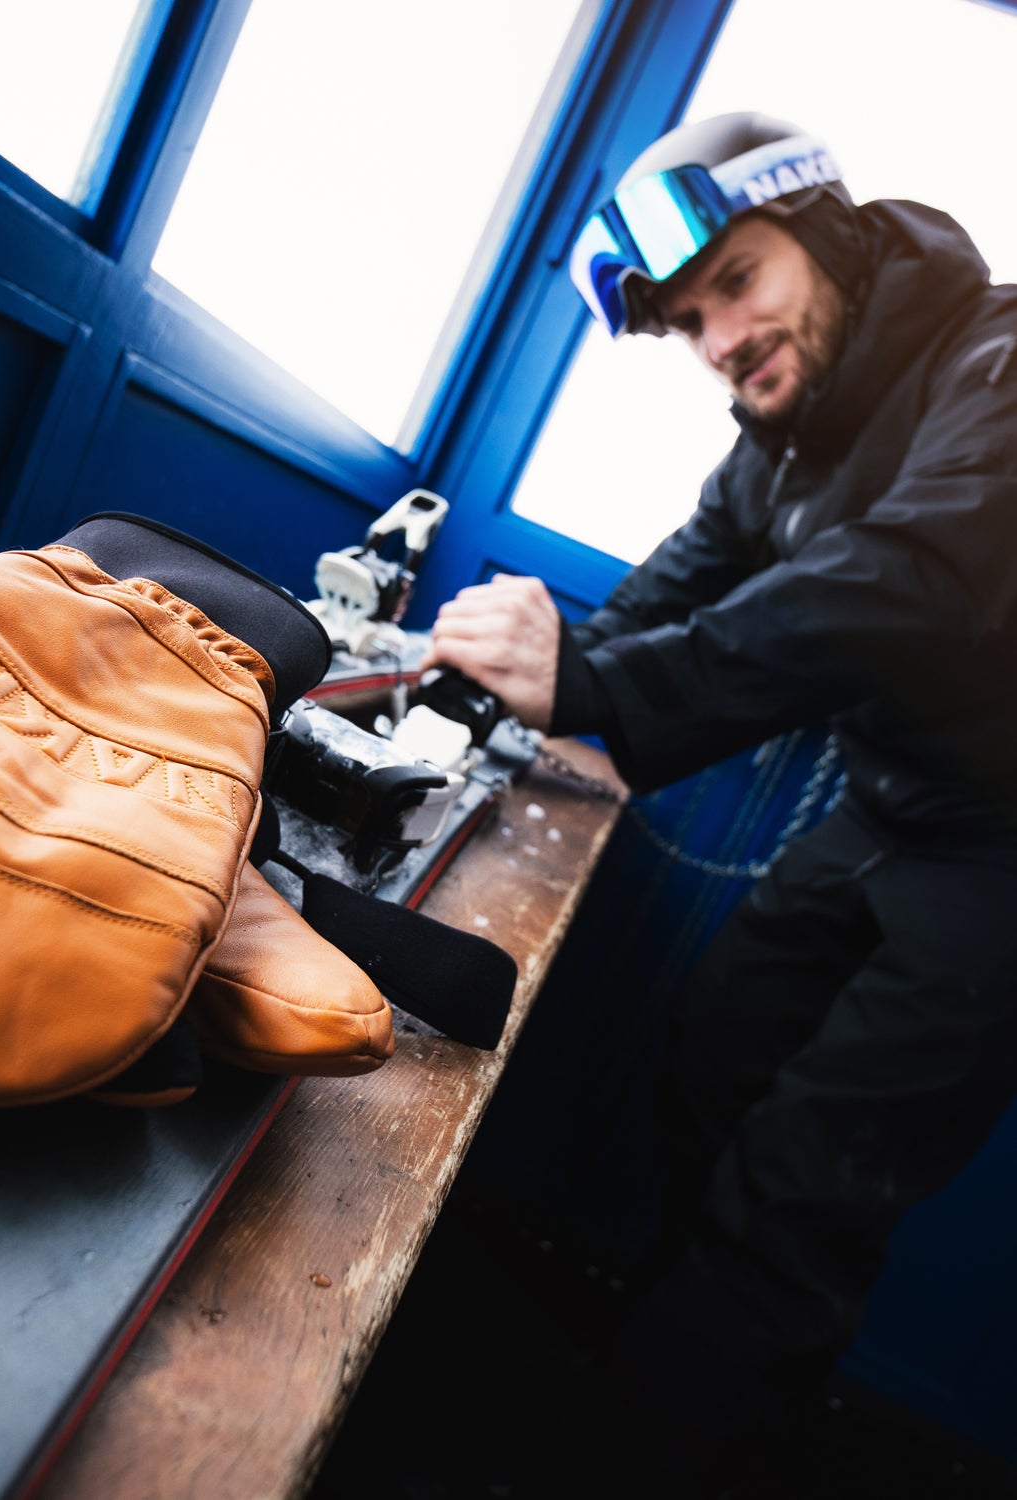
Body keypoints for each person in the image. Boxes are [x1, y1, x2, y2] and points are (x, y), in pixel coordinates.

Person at [424, 110, 1017, 1492]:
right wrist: (507, 684)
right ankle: (701, 1374)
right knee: (714, 1051)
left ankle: (669, 1444)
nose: (722, 340)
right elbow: (666, 594)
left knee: (809, 1183)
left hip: (1005, 855)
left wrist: (603, 688)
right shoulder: (778, 442)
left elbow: (915, 582)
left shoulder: (996, 357)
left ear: (833, 232)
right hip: (894, 811)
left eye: (738, 282)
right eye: (691, 322)